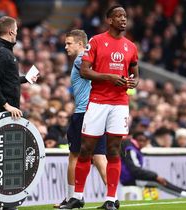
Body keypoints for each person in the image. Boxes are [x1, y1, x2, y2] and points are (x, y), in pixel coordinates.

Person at [63, 5, 139, 210]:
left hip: (120, 104)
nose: (123, 19)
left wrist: (134, 82)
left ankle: (111, 199)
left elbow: (135, 72)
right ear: (109, 20)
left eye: (125, 16)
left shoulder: (130, 46)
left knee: (114, 151)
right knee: (85, 150)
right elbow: (86, 72)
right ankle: (77, 197)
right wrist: (109, 77)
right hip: (97, 102)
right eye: (118, 16)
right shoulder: (96, 41)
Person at [0, 16, 38, 210]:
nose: (17, 31)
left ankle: (3, 200)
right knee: (3, 158)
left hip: (5, 111)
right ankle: (0, 201)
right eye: (16, 29)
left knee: (5, 157)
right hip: (1, 113)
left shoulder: (5, 51)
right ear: (11, 31)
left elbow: (6, 80)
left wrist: (24, 79)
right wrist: (6, 105)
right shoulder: (2, 53)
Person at [54, 29, 109, 209]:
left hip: (83, 114)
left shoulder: (80, 59)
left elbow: (91, 73)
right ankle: (113, 198)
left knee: (74, 156)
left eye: (69, 43)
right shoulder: (92, 58)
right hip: (97, 112)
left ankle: (73, 198)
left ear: (80, 44)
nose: (66, 46)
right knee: (100, 156)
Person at [121, 132, 186, 198]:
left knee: (160, 180)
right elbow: (135, 170)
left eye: (144, 140)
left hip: (131, 177)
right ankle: (185, 194)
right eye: (140, 140)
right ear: (135, 140)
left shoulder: (132, 148)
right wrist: (154, 176)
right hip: (129, 179)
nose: (143, 143)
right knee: (159, 181)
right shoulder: (131, 149)